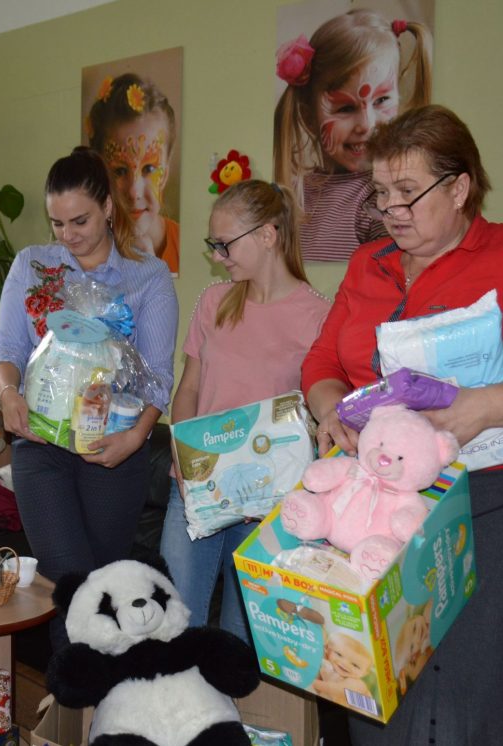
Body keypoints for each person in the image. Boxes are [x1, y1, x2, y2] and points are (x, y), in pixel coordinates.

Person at [301, 104, 503, 745]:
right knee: (373, 682)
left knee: (462, 700)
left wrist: (482, 407)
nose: (391, 210)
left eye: (407, 192)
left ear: (459, 187)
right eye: (381, 193)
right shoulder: (369, 264)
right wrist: (332, 410)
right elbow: (321, 362)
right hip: (375, 503)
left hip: (487, 504)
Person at [0, 146, 178, 651]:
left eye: (80, 221)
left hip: (113, 453)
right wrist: (8, 391)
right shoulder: (33, 266)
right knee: (68, 583)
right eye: (57, 223)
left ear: (108, 207)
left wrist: (136, 438)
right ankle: (67, 690)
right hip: (41, 445)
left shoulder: (148, 277)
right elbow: (6, 349)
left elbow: (157, 377)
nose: (67, 235)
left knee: (106, 587)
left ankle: (99, 692)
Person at [160, 180, 329, 642]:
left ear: (268, 235)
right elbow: (189, 389)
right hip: (197, 487)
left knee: (244, 636)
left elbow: (317, 418)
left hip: (267, 503)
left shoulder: (318, 317)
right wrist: (183, 457)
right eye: (212, 244)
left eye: (225, 244)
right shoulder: (214, 302)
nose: (217, 256)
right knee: (172, 626)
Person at [274, 8, 432, 263]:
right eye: (346, 109)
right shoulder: (294, 193)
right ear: (309, 117)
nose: (366, 125)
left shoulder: (382, 197)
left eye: (381, 100)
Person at [87, 73, 180, 274]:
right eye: (119, 171)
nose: (134, 192)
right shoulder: (88, 254)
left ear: (166, 171)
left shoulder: (184, 244)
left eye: (149, 169)